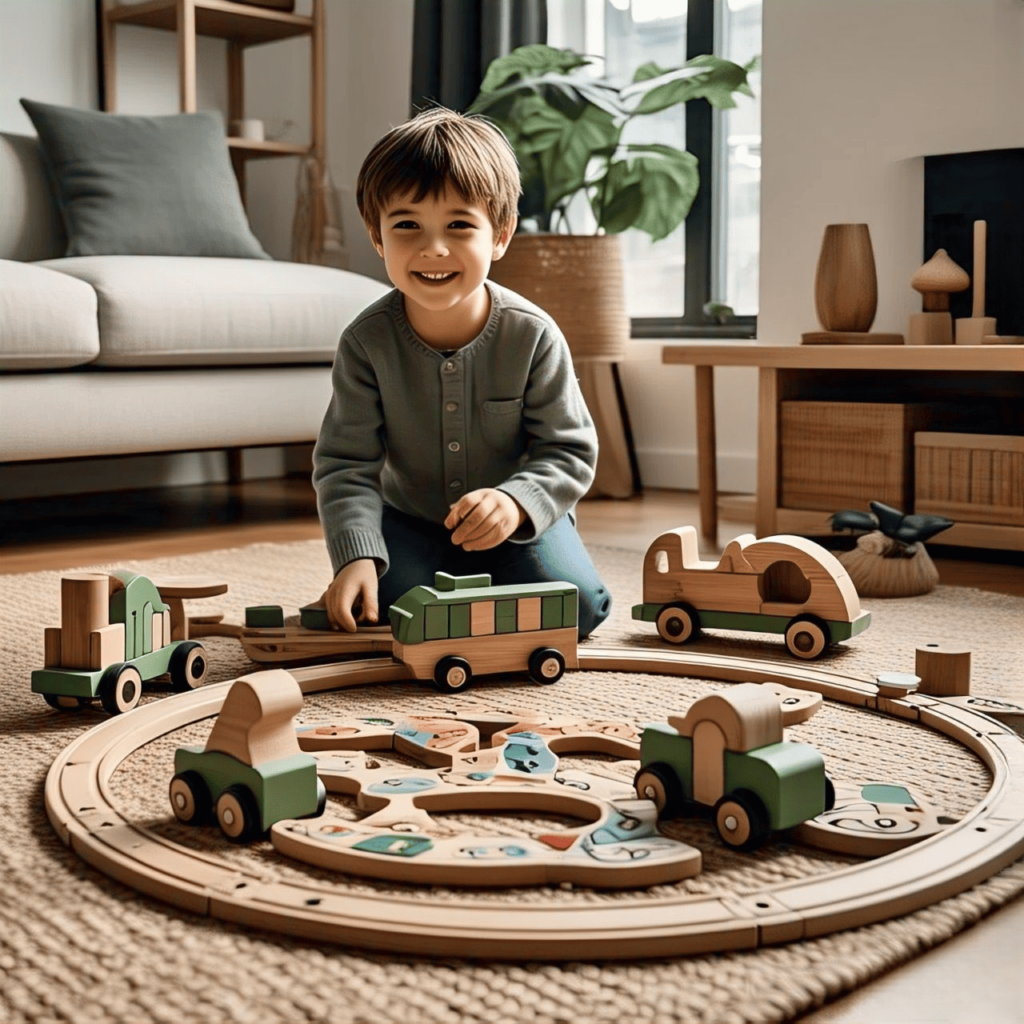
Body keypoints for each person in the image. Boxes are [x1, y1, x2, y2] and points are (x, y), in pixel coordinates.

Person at [312, 106, 611, 640]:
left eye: (459, 225)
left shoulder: (533, 334)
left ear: (499, 235)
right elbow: (346, 465)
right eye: (407, 225)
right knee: (395, 614)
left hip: (521, 527)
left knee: (579, 609)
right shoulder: (365, 343)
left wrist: (517, 502)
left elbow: (569, 450)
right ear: (377, 237)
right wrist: (355, 558)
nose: (433, 248)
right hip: (410, 525)